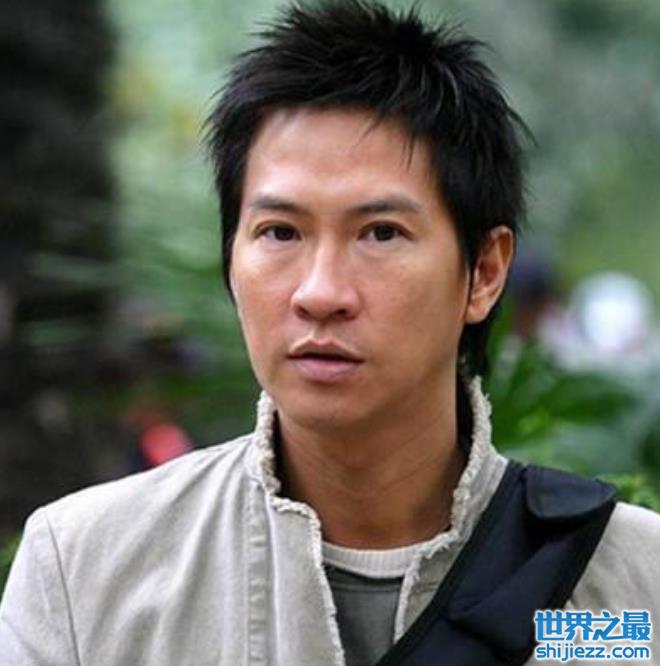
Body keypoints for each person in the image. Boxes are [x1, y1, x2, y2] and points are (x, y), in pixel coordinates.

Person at [2, 2, 659, 664]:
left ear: (485, 272)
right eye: (280, 232)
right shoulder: (85, 575)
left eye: (381, 233)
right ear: (231, 258)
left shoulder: (629, 584)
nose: (320, 293)